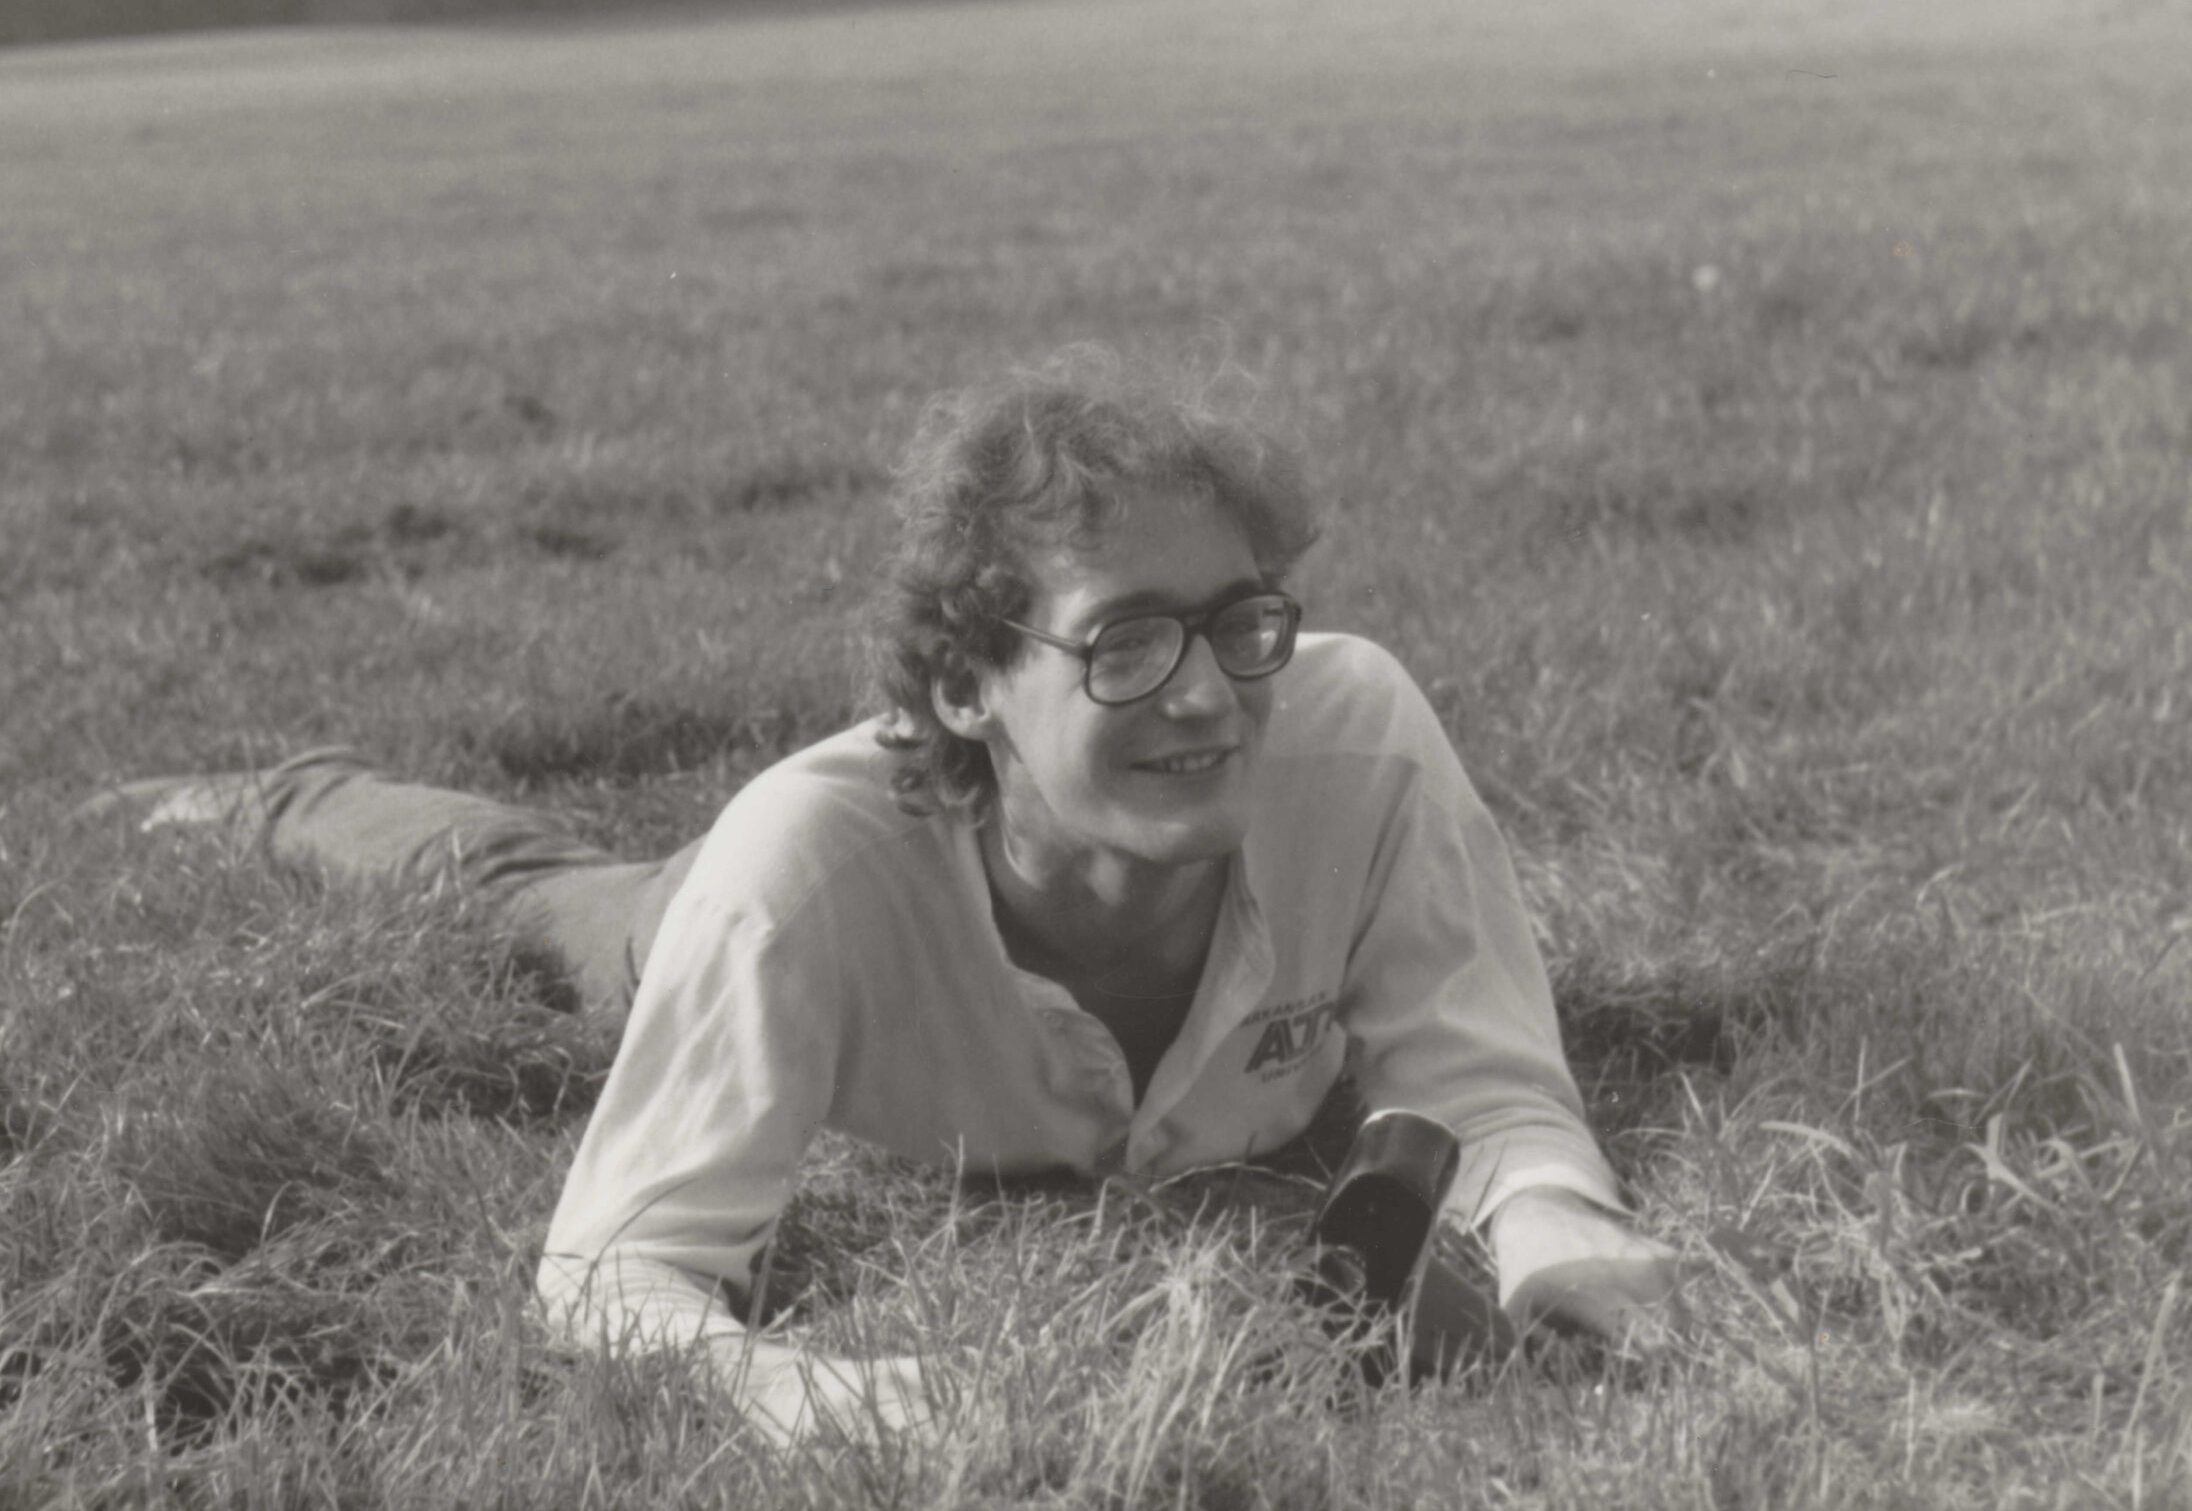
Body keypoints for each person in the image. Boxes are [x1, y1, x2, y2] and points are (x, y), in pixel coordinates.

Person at [92, 356, 1678, 1443]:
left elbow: (1478, 1075)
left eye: (1240, 621)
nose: (1207, 697)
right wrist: (815, 1396)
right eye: (1125, 640)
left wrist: (1552, 1236)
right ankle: (279, 795)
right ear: (970, 681)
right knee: (545, 894)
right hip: (715, 915)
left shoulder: (1356, 737)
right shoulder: (798, 883)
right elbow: (610, 1275)